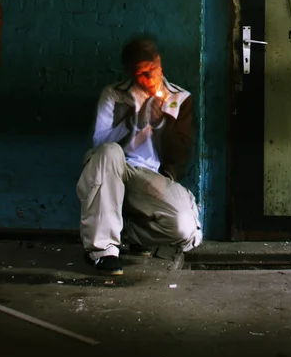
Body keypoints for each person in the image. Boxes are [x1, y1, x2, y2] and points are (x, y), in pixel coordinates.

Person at [76, 38, 202, 275]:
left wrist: (160, 123)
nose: (148, 79)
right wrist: (134, 121)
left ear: (159, 63)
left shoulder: (179, 98)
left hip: (148, 177)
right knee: (109, 152)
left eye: (151, 71)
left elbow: (179, 155)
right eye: (140, 74)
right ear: (131, 74)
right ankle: (103, 251)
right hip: (114, 169)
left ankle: (130, 234)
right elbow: (98, 145)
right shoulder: (115, 95)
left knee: (184, 227)